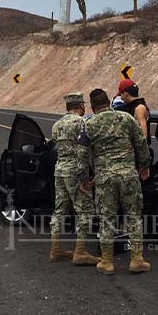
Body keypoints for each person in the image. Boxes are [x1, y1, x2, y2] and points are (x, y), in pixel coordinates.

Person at [78, 89, 152, 275]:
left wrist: (85, 179)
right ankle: (136, 260)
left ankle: (107, 262)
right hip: (128, 175)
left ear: (93, 107)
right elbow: (141, 144)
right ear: (109, 103)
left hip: (105, 179)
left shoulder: (89, 124)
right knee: (134, 217)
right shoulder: (126, 119)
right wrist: (144, 166)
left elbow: (81, 154)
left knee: (106, 219)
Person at [49, 92, 100, 266]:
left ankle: (55, 249)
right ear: (81, 106)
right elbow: (86, 149)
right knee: (85, 210)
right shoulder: (82, 122)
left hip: (60, 170)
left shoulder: (56, 125)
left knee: (59, 209)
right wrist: (88, 176)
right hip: (75, 171)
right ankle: (80, 252)